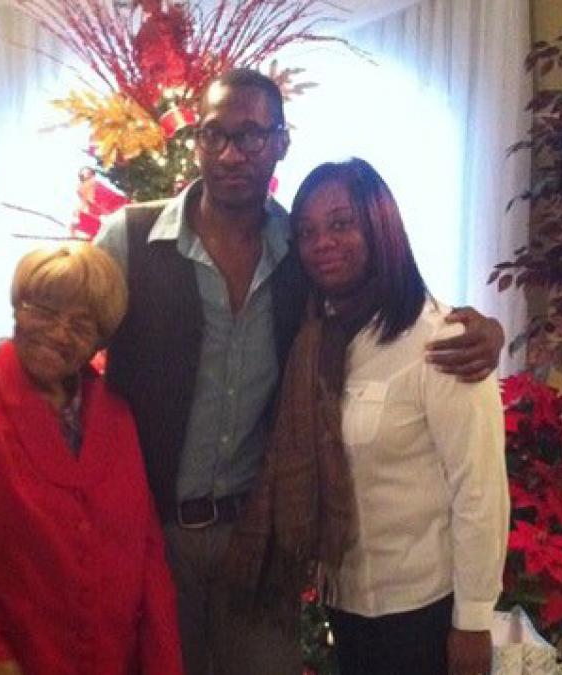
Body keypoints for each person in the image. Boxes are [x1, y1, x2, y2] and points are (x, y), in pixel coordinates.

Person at [0, 69, 506, 674]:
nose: (231, 153)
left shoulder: (300, 249)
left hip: (254, 537)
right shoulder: (132, 237)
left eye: (251, 136)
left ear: (281, 142)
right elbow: (64, 323)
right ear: (195, 140)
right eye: (214, 135)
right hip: (149, 532)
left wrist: (485, 330)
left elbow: (377, 292)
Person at [226, 158, 509, 675]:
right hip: (345, 602)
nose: (322, 243)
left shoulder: (442, 342)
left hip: (421, 611)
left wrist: (472, 623)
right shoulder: (318, 338)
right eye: (307, 231)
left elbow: (480, 491)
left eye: (340, 224)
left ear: (379, 226)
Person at [0, 244, 182, 675]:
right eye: (44, 311)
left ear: (99, 342)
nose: (60, 333)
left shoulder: (117, 417)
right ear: (17, 308)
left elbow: (148, 557)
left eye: (82, 324)